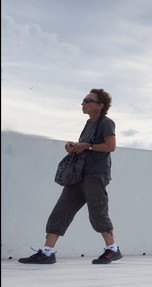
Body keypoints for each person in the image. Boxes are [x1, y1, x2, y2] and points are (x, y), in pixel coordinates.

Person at [19, 89, 122, 266]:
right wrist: (75, 146)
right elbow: (87, 146)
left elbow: (110, 146)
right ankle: (47, 252)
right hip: (78, 175)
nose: (83, 103)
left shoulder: (106, 122)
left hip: (95, 175)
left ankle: (112, 249)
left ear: (100, 106)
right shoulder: (88, 124)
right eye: (84, 100)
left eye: (87, 100)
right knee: (61, 211)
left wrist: (86, 146)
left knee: (98, 213)